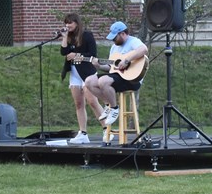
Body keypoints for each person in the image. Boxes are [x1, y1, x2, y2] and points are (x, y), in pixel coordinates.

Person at [83, 21, 147, 129]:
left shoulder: (133, 41)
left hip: (132, 79)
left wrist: (127, 60)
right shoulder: (114, 48)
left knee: (103, 81)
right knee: (89, 81)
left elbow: (144, 49)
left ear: (122, 34)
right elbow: (111, 68)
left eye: (115, 37)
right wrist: (98, 66)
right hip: (117, 76)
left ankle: (114, 108)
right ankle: (108, 104)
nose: (113, 40)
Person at [58, 13, 103, 145]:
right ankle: (83, 132)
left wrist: (76, 55)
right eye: (66, 23)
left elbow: (92, 54)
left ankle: (107, 129)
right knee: (78, 103)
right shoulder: (69, 37)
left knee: (92, 101)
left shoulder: (87, 35)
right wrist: (64, 37)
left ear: (77, 23)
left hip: (87, 72)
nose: (67, 25)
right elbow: (63, 53)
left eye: (70, 23)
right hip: (74, 73)